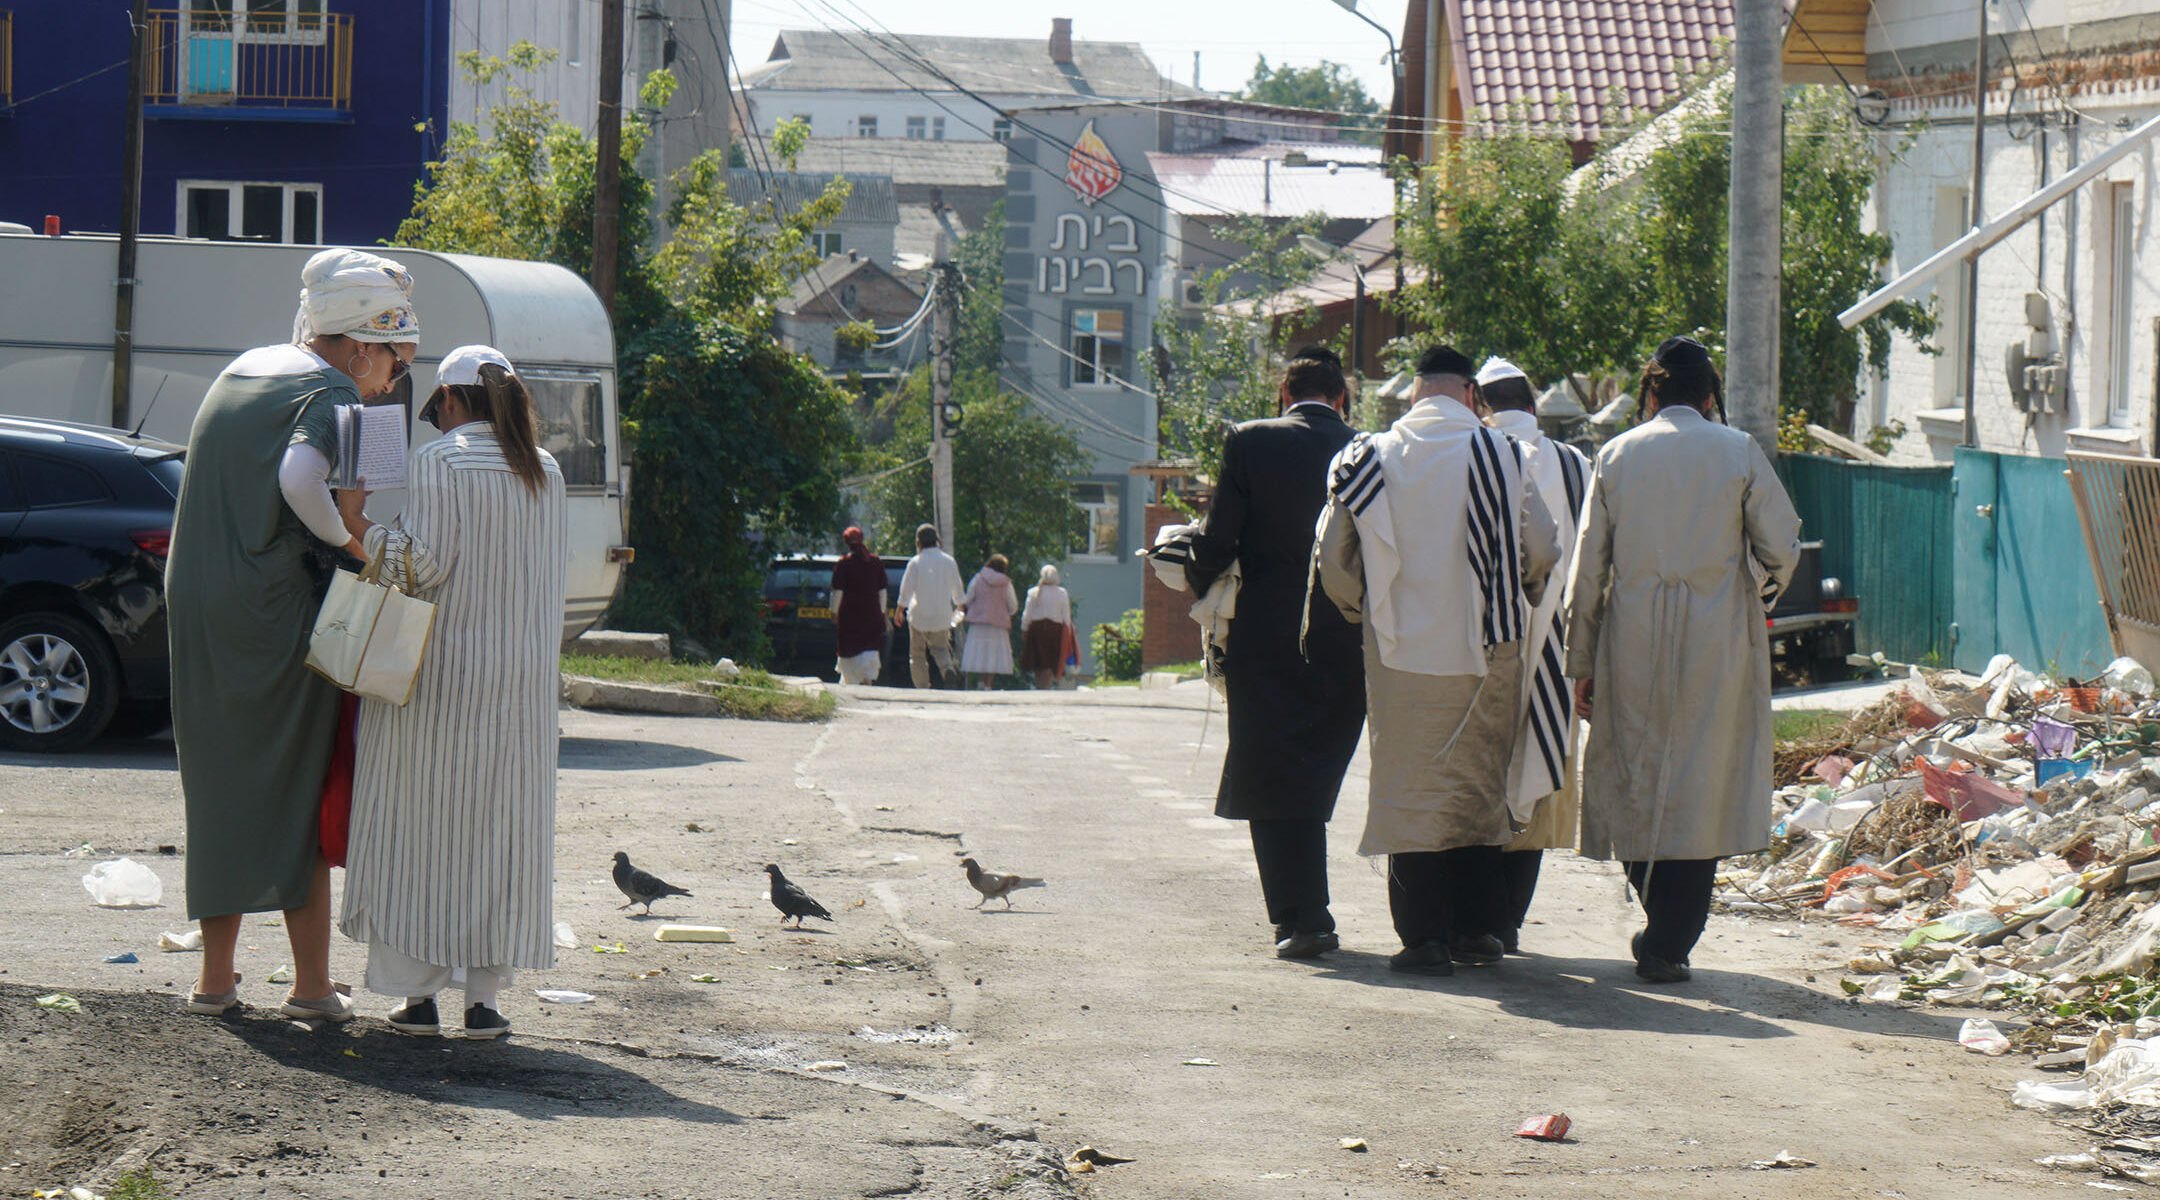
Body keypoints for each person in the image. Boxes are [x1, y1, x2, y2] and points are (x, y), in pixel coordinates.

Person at [166, 247, 420, 1021]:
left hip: (200, 597)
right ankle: (311, 988)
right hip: (274, 605)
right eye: (395, 364)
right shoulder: (330, 387)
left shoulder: (246, 369)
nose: (393, 383)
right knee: (299, 781)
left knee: (222, 784)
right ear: (363, 343)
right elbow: (300, 480)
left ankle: (216, 980)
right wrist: (351, 544)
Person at [335, 345, 569, 1037]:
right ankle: (485, 1002)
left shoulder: (442, 462)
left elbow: (423, 565)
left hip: (439, 681)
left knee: (421, 831)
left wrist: (358, 523)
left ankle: (418, 999)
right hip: (522, 689)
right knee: (499, 834)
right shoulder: (545, 469)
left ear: (452, 400)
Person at [1314, 344, 1561, 977]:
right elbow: (1542, 546)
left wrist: (1359, 613)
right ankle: (1477, 929)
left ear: (1415, 392)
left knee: (1410, 791)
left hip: (1399, 651)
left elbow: (1334, 556)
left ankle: (1422, 937)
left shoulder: (1367, 455)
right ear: (1471, 395)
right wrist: (1524, 593)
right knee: (1477, 787)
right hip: (1489, 644)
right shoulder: (1502, 454)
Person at [1566, 336, 1801, 983]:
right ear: (1708, 396)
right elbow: (1783, 545)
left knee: (1632, 773)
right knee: (1700, 783)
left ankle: (1660, 921)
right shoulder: (1737, 451)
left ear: (1649, 395)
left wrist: (1581, 661)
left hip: (1630, 640)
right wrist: (1752, 596)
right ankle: (1670, 940)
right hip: (1717, 644)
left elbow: (1588, 571)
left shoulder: (1615, 455)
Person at [1185, 347, 1366, 960]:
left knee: (1267, 770)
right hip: (1345, 633)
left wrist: (1196, 578)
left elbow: (1219, 536)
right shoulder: (1368, 448)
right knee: (1316, 765)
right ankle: (1308, 910)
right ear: (1342, 396)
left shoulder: (1249, 441)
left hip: (1264, 635)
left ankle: (1299, 917)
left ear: (1284, 393)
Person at [1475, 356, 1593, 955]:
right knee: (1535, 781)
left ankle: (1474, 917)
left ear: (1479, 404)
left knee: (1479, 777)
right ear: (1535, 406)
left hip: (1480, 647)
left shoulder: (1472, 456)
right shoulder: (1576, 465)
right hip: (1556, 652)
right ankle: (1507, 920)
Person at [897, 524, 964, 688]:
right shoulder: (949, 562)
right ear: (937, 541)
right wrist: (960, 606)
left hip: (919, 616)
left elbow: (906, 590)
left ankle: (922, 686)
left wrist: (899, 610)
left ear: (918, 542)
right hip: (942, 616)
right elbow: (958, 589)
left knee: (917, 654)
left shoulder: (915, 562)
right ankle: (947, 669)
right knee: (941, 649)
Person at [830, 526, 888, 686]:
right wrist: (881, 611)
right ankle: (867, 678)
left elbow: (837, 591)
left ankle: (853, 680)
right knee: (870, 646)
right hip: (872, 614)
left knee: (851, 647)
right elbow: (882, 590)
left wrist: (833, 611)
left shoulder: (844, 563)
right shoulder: (875, 562)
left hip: (850, 615)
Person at [959, 554, 1019, 689]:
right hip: (998, 624)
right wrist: (1005, 613)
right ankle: (988, 684)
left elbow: (967, 599)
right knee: (993, 653)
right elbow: (1013, 606)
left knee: (980, 652)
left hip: (978, 622)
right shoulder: (1006, 583)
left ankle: (980, 682)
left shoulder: (977, 578)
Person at [1018, 564, 1075, 689]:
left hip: (1036, 630)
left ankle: (1039, 686)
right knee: (1049, 662)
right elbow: (1066, 615)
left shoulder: (1033, 592)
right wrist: (1069, 633)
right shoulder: (1062, 593)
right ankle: (1045, 687)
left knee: (1038, 661)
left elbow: (1027, 613)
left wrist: (1024, 629)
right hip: (1054, 631)